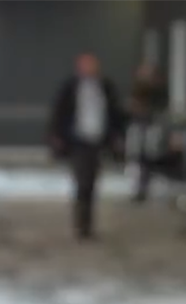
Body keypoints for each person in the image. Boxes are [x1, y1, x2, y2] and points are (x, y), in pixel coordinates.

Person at [49, 52, 125, 241]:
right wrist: (57, 136)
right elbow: (59, 112)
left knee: (91, 182)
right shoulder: (70, 87)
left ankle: (87, 224)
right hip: (78, 141)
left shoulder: (106, 87)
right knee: (82, 182)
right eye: (86, 64)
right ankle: (82, 225)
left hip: (98, 140)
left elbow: (115, 113)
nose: (90, 68)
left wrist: (116, 137)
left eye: (93, 64)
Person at [127, 62, 169, 203]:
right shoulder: (138, 88)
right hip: (139, 127)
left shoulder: (158, 91)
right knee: (137, 160)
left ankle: (144, 188)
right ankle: (138, 189)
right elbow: (133, 106)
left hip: (151, 127)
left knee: (148, 159)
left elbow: (160, 108)